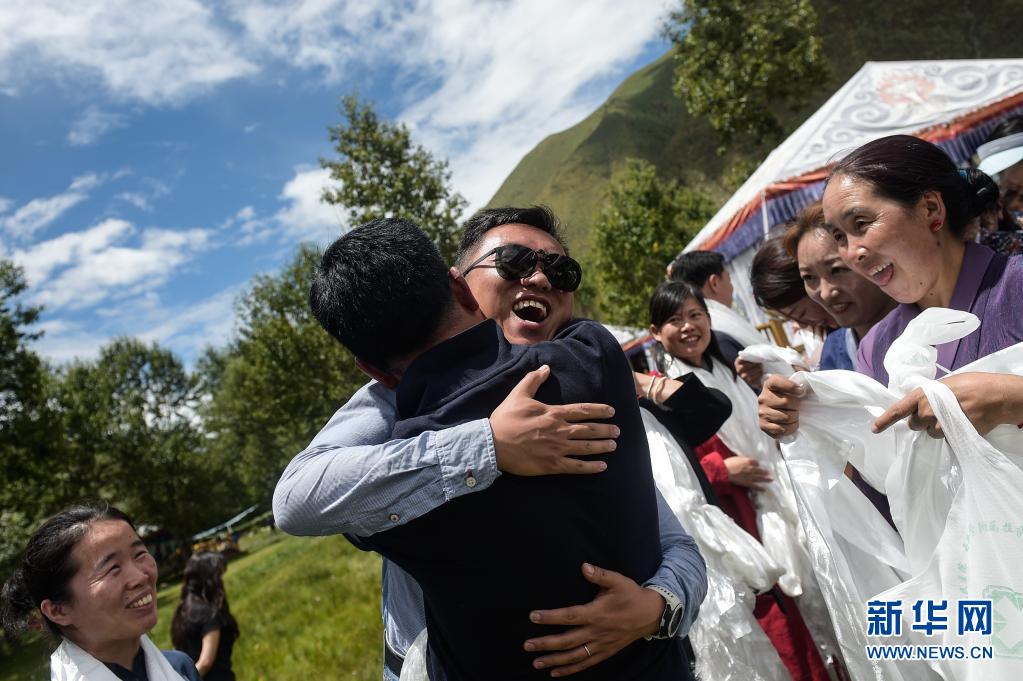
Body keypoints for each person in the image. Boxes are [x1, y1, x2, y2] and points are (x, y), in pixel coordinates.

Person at [274, 207, 705, 680]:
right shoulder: (391, 404)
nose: (540, 278)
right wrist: (488, 445)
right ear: (460, 285)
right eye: (514, 262)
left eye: (562, 271)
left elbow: (676, 543)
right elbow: (298, 496)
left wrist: (657, 607)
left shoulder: (588, 376)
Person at [759, 134, 1023, 441]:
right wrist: (803, 417)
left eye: (861, 223)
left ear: (930, 209)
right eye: (840, 237)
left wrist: (1008, 398)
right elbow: (887, 480)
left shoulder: (1014, 287)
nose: (853, 252)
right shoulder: (877, 348)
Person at [647, 281, 833, 681]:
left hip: (774, 496)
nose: (688, 327)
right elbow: (669, 467)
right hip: (733, 518)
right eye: (674, 320)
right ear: (656, 333)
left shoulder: (730, 370)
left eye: (695, 316)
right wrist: (720, 471)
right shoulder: (662, 390)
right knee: (773, 612)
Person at [0, 504, 202, 681]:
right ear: (58, 610)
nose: (140, 577)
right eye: (112, 568)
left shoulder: (180, 668)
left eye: (139, 554)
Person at [784, 202, 896, 370]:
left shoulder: (932, 325)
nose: (826, 293)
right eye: (809, 277)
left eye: (837, 270)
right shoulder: (832, 355)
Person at [669, 250, 767, 348]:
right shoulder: (722, 322)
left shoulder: (685, 332)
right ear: (714, 283)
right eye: (728, 279)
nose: (731, 287)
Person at [171, 553, 238, 681]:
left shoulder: (183, 610)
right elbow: (206, 662)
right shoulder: (210, 614)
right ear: (209, 580)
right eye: (218, 576)